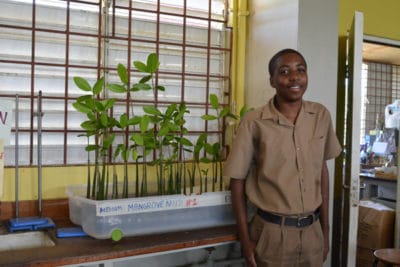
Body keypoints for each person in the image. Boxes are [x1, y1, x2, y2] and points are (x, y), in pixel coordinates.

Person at [224, 48, 342, 267]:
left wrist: (325, 231)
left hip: (312, 234)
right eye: (285, 71)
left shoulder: (321, 115)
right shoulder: (254, 122)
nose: (294, 77)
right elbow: (237, 182)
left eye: (300, 70)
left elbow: (322, 172)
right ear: (272, 80)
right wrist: (245, 240)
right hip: (271, 236)